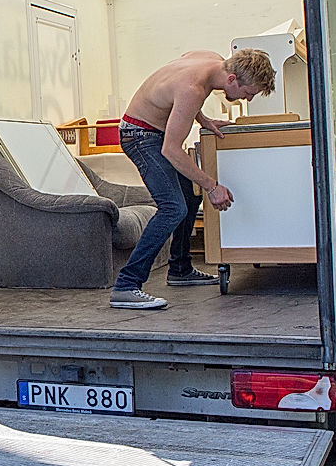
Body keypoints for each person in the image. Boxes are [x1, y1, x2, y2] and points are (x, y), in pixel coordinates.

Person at [110, 48, 276, 310]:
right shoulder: (193, 89)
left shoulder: (210, 59)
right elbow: (171, 150)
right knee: (173, 207)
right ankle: (126, 285)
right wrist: (212, 186)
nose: (247, 99)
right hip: (141, 136)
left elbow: (180, 84)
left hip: (153, 131)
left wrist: (202, 118)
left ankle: (180, 269)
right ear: (232, 79)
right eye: (248, 94)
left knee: (187, 197)